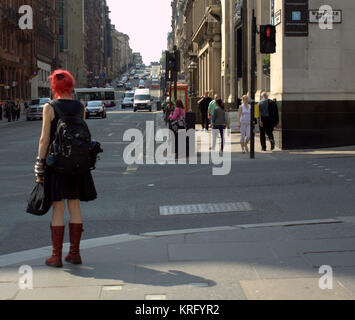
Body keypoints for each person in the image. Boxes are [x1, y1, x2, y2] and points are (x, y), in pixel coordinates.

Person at [34, 69, 97, 268]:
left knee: (58, 208)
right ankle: (75, 253)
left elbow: (44, 140)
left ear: (54, 87)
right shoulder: (80, 107)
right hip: (78, 165)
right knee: (75, 206)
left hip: (57, 165)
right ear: (71, 85)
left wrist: (39, 165)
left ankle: (56, 256)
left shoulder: (50, 107)